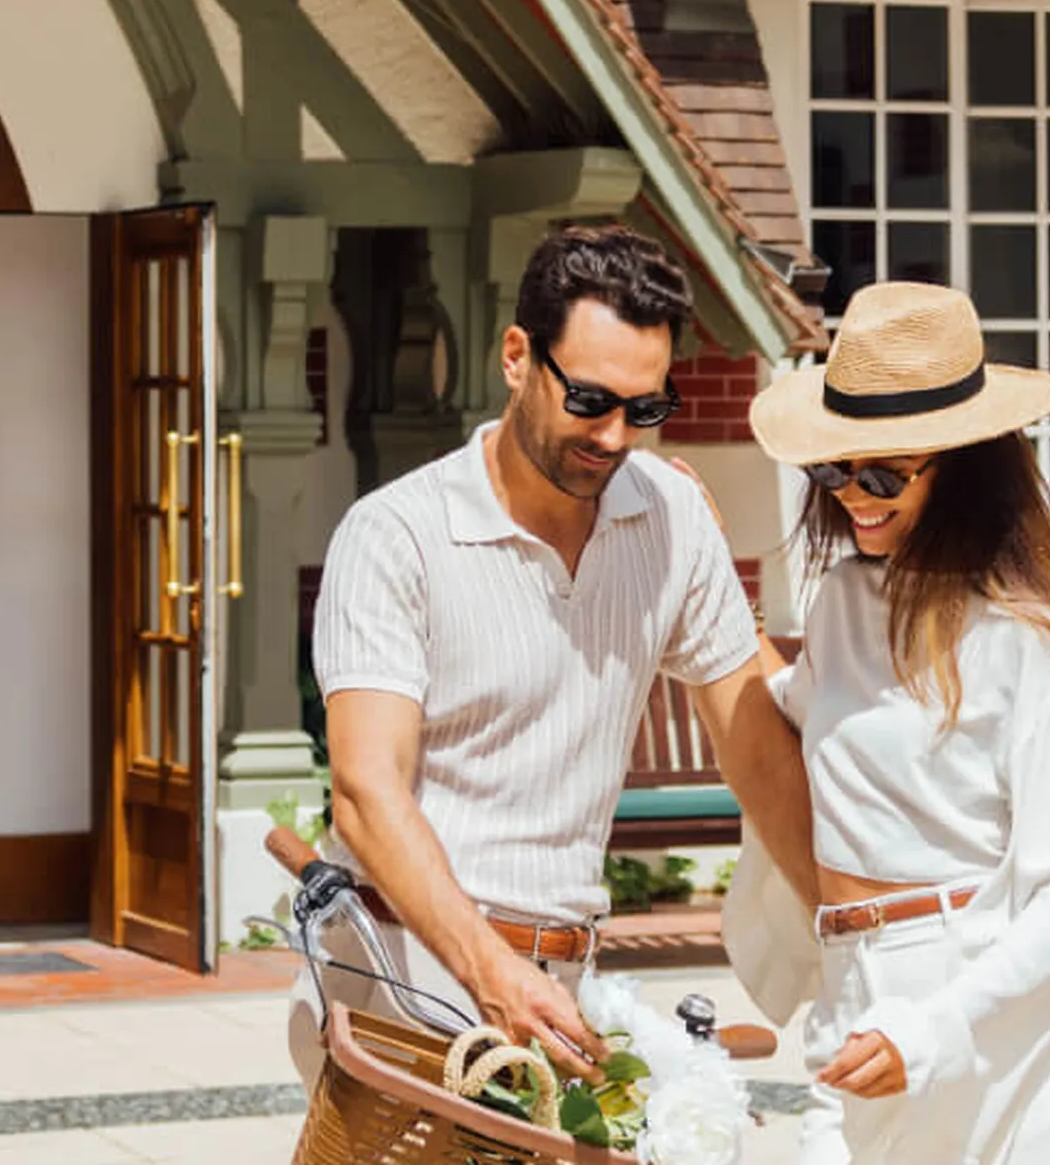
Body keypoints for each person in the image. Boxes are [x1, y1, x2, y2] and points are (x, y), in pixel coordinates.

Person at [287, 224, 815, 1089]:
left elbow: (757, 747)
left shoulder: (671, 517)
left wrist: (850, 937)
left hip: (561, 981)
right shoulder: (395, 537)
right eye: (591, 401)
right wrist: (492, 975)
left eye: (644, 410)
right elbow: (364, 794)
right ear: (517, 356)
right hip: (402, 977)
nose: (614, 436)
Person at [714, 281, 1050, 1163]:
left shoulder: (1028, 644)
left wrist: (935, 1029)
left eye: (882, 474)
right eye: (833, 471)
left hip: (976, 1004)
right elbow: (793, 708)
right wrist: (701, 567)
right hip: (850, 985)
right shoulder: (840, 601)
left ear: (967, 466)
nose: (852, 498)